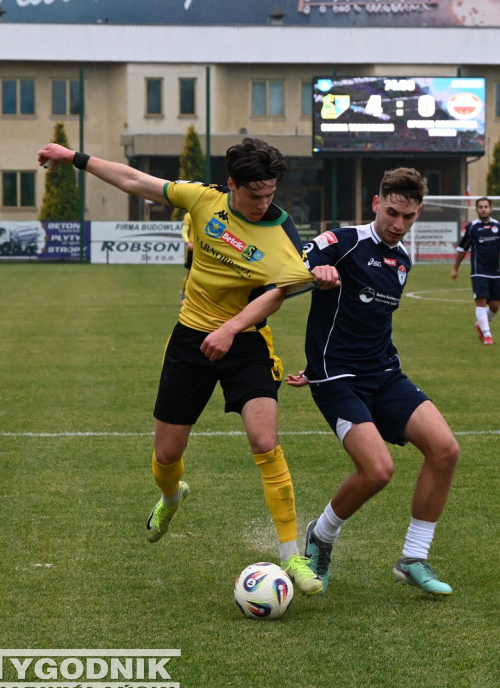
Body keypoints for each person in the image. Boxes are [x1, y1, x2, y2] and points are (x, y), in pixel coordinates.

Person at [36, 138, 339, 596]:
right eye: (254, 195)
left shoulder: (283, 237)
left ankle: (291, 554)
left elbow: (276, 295)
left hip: (247, 342)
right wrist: (73, 158)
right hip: (189, 339)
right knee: (166, 456)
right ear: (231, 184)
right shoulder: (203, 200)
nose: (263, 204)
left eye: (270, 194)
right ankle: (172, 497)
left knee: (265, 439)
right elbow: (135, 180)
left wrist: (233, 329)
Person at [287, 168, 460, 597]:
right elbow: (299, 261)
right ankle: (321, 537)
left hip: (384, 373)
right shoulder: (343, 242)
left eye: (409, 217)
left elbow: (371, 323)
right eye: (392, 212)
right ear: (375, 203)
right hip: (337, 378)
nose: (398, 224)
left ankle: (413, 558)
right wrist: (319, 272)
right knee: (378, 470)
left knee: (445, 450)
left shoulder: (402, 261)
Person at [451, 196, 500, 345]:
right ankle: (487, 334)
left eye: (486, 206)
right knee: (481, 301)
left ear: (490, 209)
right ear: (476, 209)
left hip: (495, 271)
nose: (483, 209)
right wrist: (455, 268)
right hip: (478, 271)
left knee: (495, 306)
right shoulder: (472, 228)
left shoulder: (499, 227)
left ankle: (481, 323)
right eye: (481, 207)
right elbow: (462, 249)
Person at [180, 212, 195, 305]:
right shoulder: (188, 215)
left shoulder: (206, 212)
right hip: (192, 248)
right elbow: (184, 231)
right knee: (189, 275)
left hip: (203, 248)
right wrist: (187, 242)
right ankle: (183, 295)